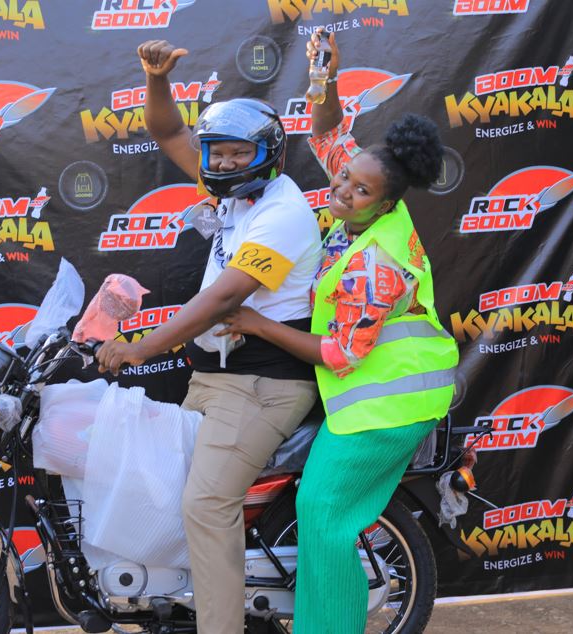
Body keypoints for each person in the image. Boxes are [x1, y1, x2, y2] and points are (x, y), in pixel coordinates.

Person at [215, 31, 459, 633]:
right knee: (324, 516)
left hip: (389, 407)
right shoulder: (370, 195)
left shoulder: (378, 263)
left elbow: (340, 353)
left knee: (324, 516)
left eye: (358, 190)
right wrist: (323, 77)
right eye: (344, 179)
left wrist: (253, 321)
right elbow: (327, 132)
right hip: (373, 399)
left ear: (386, 204)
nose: (342, 191)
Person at [96, 40, 322, 634]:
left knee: (204, 504)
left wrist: (140, 348)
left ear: (268, 155)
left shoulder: (282, 211)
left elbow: (224, 298)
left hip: (263, 385)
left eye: (235, 153)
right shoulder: (236, 192)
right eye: (215, 154)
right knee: (171, 496)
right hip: (216, 378)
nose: (220, 163)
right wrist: (157, 80)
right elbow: (170, 131)